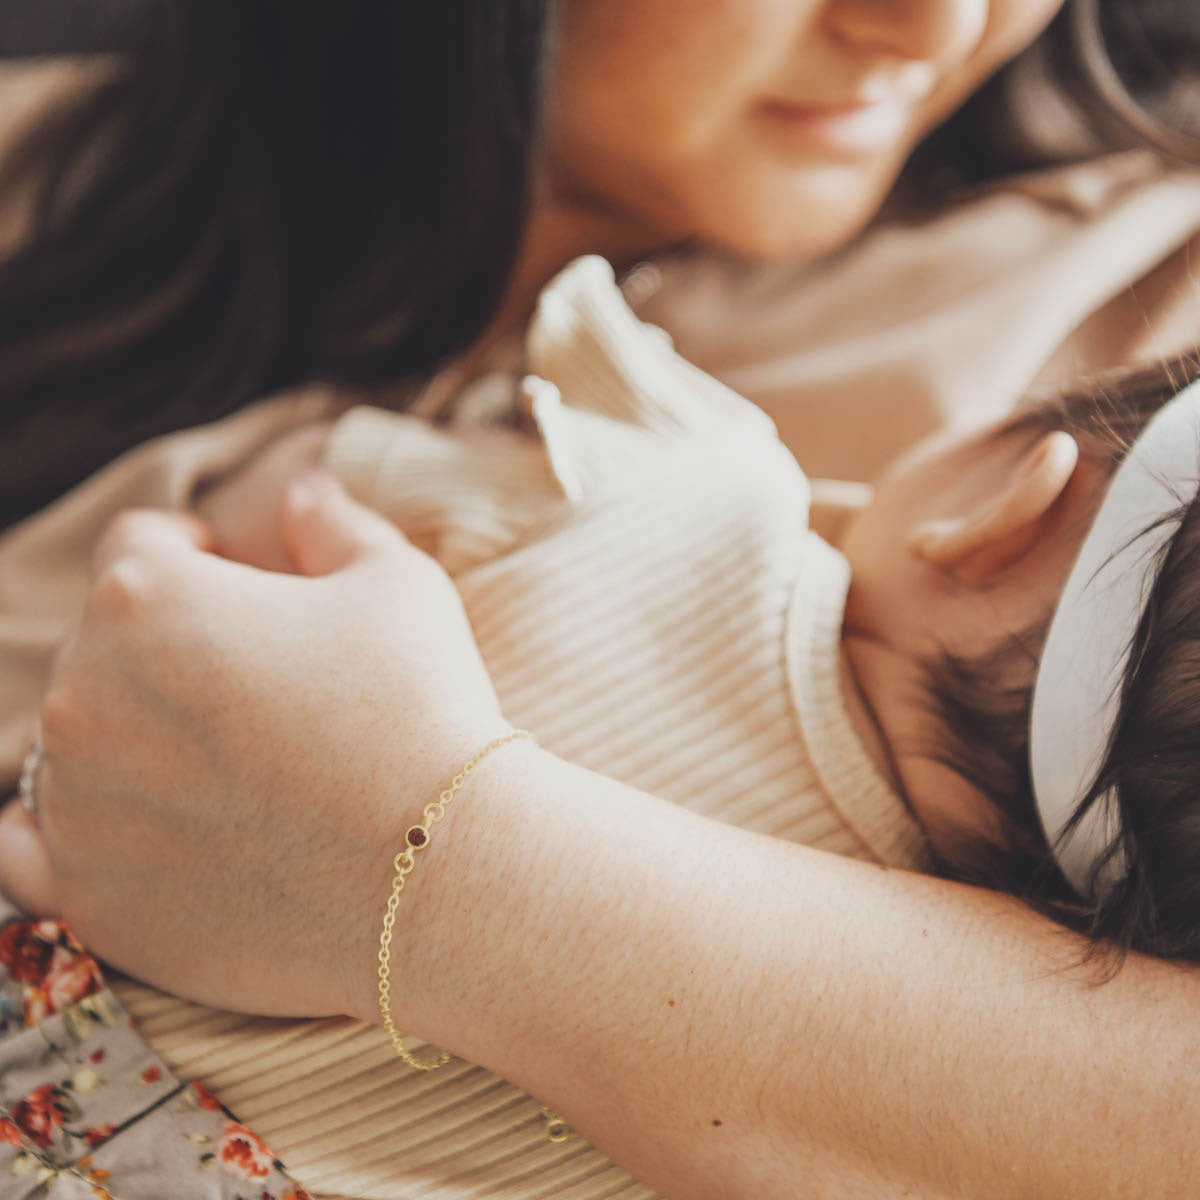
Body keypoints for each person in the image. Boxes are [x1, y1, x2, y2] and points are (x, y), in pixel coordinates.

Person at [2, 1, 1200, 1196]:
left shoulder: (700, 457)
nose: (931, 25)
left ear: (1005, 507)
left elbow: (287, 507)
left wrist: (433, 853)